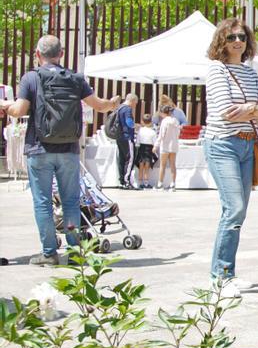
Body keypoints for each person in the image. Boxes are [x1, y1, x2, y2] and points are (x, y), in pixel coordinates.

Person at [0, 35, 118, 265]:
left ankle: (49, 253)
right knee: (71, 201)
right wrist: (113, 103)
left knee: (43, 202)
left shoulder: (31, 78)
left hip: (39, 149)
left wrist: (5, 106)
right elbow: (100, 105)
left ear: (37, 55)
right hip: (69, 151)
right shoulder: (76, 78)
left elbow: (20, 110)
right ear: (61, 54)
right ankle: (75, 252)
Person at [204, 18, 258, 297]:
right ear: (222, 40)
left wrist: (250, 108)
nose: (237, 41)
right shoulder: (216, 69)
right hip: (222, 144)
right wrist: (255, 107)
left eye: (242, 37)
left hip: (247, 145)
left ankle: (228, 273)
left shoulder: (250, 72)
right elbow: (224, 110)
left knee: (239, 212)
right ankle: (219, 277)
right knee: (233, 208)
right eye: (232, 36)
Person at [154, 104, 181, 191]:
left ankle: (160, 183)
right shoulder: (176, 121)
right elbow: (178, 133)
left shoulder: (164, 121)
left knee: (163, 165)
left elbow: (162, 135)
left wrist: (156, 145)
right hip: (174, 145)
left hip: (165, 145)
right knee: (173, 165)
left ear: (163, 113)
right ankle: (173, 184)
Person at [116, 94, 139, 189]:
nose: (135, 105)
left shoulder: (119, 108)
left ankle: (122, 180)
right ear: (132, 100)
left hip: (119, 137)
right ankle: (127, 181)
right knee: (130, 159)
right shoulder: (127, 109)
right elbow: (129, 122)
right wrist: (136, 126)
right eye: (135, 103)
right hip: (127, 136)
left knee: (122, 159)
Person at [136, 113, 158, 189]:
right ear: (151, 122)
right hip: (149, 149)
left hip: (141, 148)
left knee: (141, 167)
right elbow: (155, 142)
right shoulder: (153, 132)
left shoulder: (140, 131)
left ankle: (139, 183)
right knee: (147, 167)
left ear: (142, 121)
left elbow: (137, 142)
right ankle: (146, 183)